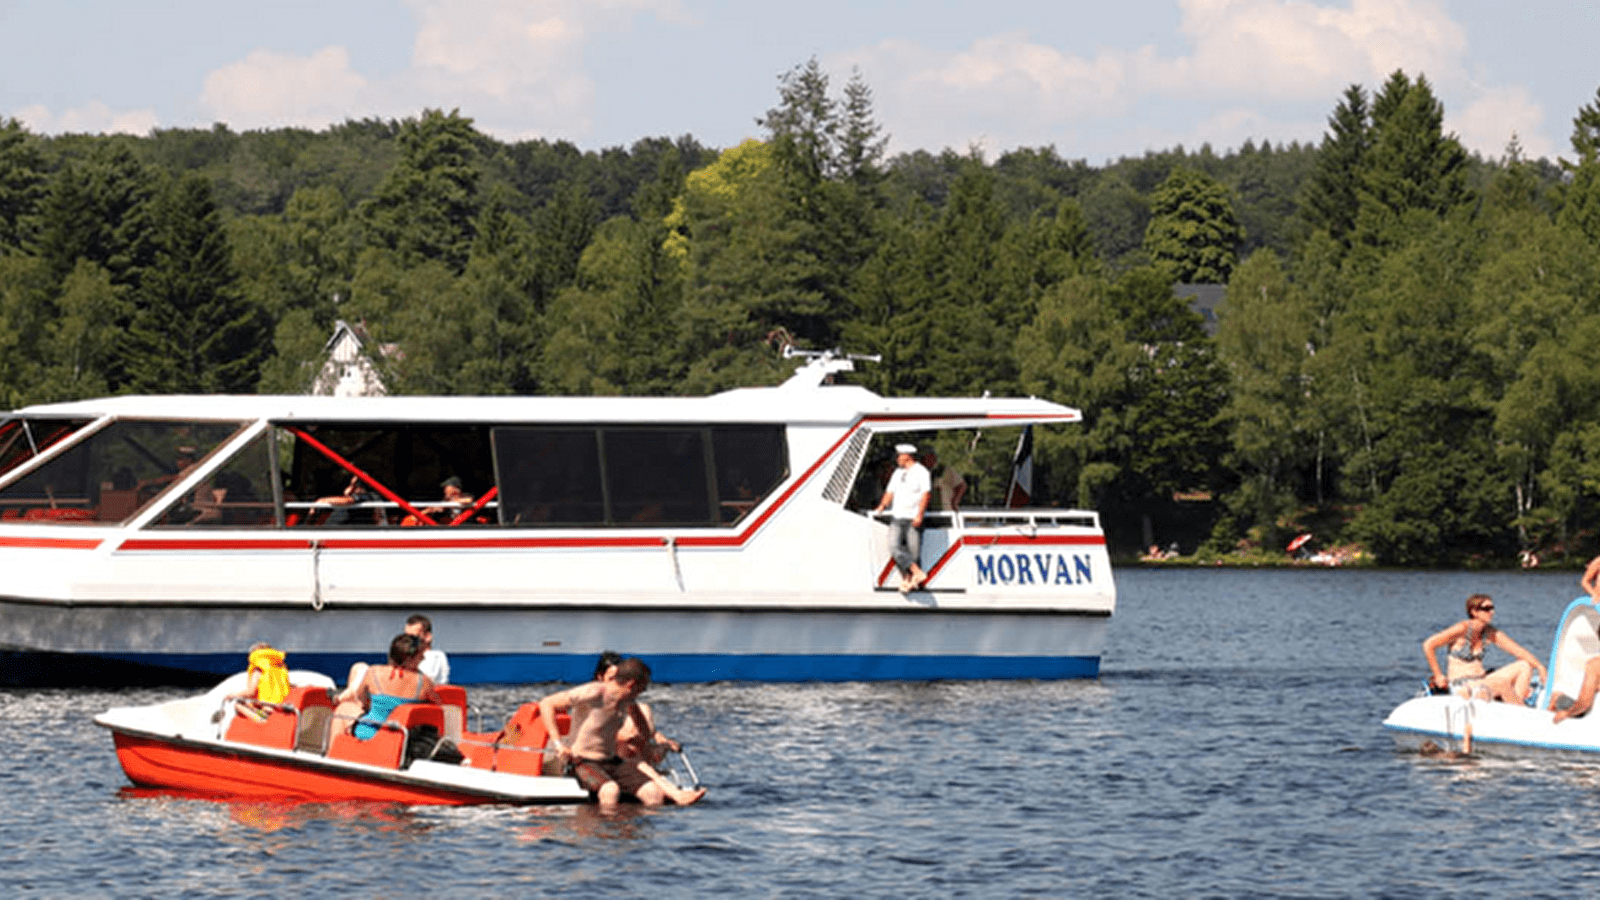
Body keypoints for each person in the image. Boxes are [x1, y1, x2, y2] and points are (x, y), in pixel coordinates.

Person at [537, 657, 705, 808]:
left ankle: (639, 837)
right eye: (643, 688)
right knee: (610, 790)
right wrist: (558, 743)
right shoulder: (595, 692)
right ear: (631, 685)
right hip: (582, 761)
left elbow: (645, 730)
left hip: (612, 761)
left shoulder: (628, 701)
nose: (643, 692)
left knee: (653, 793)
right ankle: (603, 837)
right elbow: (547, 703)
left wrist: (649, 737)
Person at [1421, 593, 1545, 704]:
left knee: (1524, 665)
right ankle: (1520, 712)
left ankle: (1515, 705)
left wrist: (1540, 667)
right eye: (1486, 609)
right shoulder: (1461, 629)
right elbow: (1429, 645)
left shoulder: (1489, 632)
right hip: (1462, 686)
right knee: (1501, 683)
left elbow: (1518, 651)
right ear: (1474, 612)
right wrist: (1438, 675)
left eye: (1492, 608)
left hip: (1482, 681)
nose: (1491, 612)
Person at [335, 632, 444, 739]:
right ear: (410, 659)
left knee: (343, 709)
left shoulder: (373, 672)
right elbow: (437, 707)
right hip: (404, 738)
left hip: (370, 734)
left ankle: (331, 753)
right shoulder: (425, 682)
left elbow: (362, 701)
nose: (423, 659)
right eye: (420, 656)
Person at [872, 443, 931, 593]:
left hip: (913, 518)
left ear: (907, 456)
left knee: (914, 553)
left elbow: (926, 494)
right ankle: (916, 573)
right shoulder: (897, 473)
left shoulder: (922, 472)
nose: (897, 458)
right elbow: (889, 492)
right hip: (898, 517)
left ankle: (909, 581)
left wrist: (920, 515)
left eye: (899, 455)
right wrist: (882, 506)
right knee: (893, 546)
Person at [226, 642, 291, 720]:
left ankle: (262, 720)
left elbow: (250, 692)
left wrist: (234, 695)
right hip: (283, 707)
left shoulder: (258, 669)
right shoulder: (280, 667)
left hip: (268, 710)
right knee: (251, 703)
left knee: (238, 704)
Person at [406, 613, 450, 685]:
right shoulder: (408, 657)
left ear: (428, 637)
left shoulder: (435, 657)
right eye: (406, 637)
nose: (408, 641)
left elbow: (423, 681)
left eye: (413, 637)